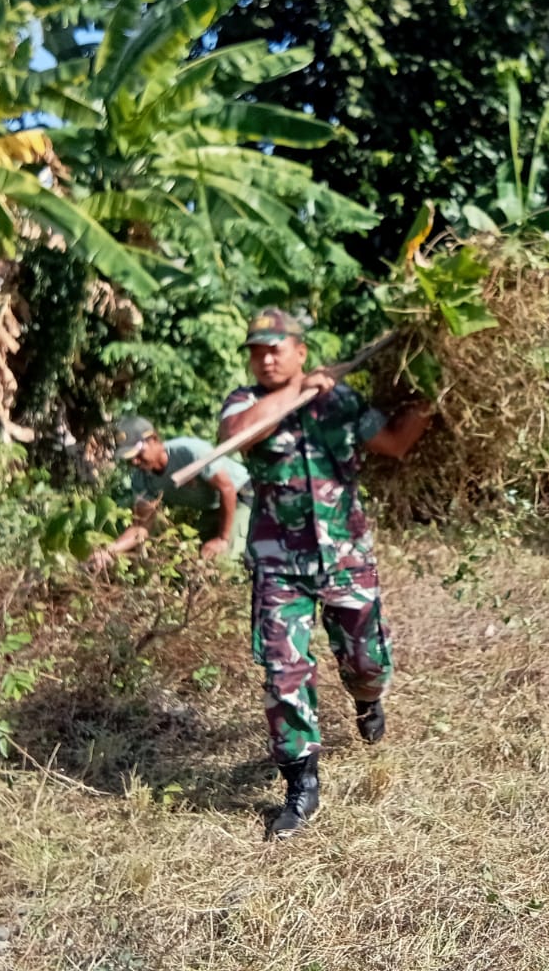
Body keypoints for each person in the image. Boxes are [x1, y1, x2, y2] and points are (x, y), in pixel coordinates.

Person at [218, 308, 431, 840]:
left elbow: (396, 444)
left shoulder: (339, 402)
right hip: (278, 564)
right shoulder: (245, 403)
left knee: (367, 659)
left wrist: (437, 392)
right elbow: (238, 436)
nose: (266, 358)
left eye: (276, 348)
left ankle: (367, 698)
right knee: (283, 672)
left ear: (300, 352)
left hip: (346, 559)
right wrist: (293, 395)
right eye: (257, 350)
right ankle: (300, 786)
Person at [87, 417, 253, 571]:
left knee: (223, 564)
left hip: (242, 496)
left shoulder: (188, 451)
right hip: (212, 509)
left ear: (154, 439)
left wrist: (223, 540)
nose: (135, 462)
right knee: (193, 562)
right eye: (129, 459)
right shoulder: (142, 479)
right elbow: (141, 527)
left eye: (138, 454)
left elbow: (227, 489)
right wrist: (109, 551)